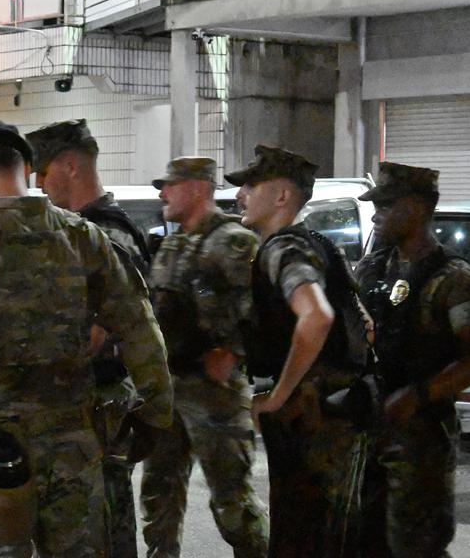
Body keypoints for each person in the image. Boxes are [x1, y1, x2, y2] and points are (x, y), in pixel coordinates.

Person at [0, 119, 173, 557]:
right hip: (73, 447)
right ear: (26, 167)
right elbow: (140, 328)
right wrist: (154, 412)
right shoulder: (86, 238)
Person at [228, 145, 365, 558]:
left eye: (251, 186)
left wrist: (279, 395)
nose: (240, 195)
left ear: (282, 196)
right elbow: (365, 327)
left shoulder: (281, 249)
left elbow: (317, 317)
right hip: (340, 418)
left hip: (311, 425)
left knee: (300, 541)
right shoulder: (321, 243)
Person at [26, 118, 150, 558]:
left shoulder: (107, 235)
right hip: (83, 410)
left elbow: (93, 334)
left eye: (42, 172)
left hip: (99, 410)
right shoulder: (81, 229)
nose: (38, 184)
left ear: (70, 166)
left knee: (105, 533)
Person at [144, 156, 269, 558]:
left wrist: (234, 352)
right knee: (159, 494)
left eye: (170, 185)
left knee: (232, 502)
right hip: (170, 389)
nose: (162, 193)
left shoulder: (234, 241)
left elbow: (263, 309)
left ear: (197, 188)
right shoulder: (174, 241)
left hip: (214, 393)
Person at [355, 162, 470, 558]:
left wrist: (416, 397)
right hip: (368, 429)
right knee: (364, 541)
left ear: (417, 209)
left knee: (415, 546)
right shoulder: (373, 268)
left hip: (420, 438)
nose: (376, 213)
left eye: (386, 205)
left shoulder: (452, 277)